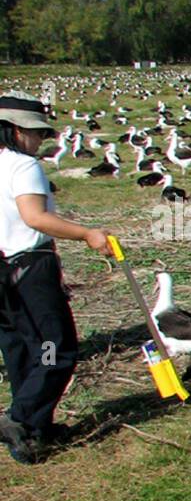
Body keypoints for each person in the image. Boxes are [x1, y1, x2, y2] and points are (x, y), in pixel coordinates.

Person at [0, 93, 110, 465]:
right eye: (34, 132)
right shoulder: (21, 166)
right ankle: (19, 418)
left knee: (21, 348)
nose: (39, 140)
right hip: (29, 270)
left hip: (2, 276)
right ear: (14, 131)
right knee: (54, 349)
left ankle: (35, 428)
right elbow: (35, 217)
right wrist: (87, 234)